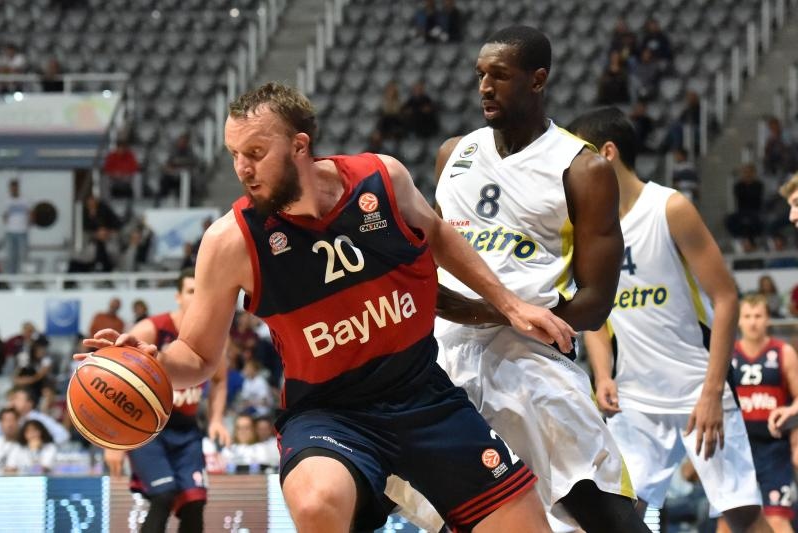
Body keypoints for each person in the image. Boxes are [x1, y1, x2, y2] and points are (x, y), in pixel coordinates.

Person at [83, 81, 579, 533]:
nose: (242, 169)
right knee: (319, 501)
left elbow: (441, 235)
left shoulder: (381, 179)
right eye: (235, 154)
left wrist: (510, 305)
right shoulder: (230, 241)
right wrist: (148, 363)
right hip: (329, 414)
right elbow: (195, 354)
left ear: (300, 146)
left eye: (255, 152)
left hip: (423, 395)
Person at [393, 26, 649, 533]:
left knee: (598, 506)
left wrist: (500, 312)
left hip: (530, 355)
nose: (485, 86)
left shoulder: (582, 168)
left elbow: (597, 302)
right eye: (480, 75)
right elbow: (436, 255)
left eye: (500, 76)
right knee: (442, 511)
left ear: (537, 80)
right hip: (445, 354)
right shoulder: (453, 153)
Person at [570, 106, 770, 531]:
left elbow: (726, 298)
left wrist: (713, 392)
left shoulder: (670, 208)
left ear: (607, 153)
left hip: (697, 390)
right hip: (635, 399)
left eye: (579, 156)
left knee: (742, 516)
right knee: (619, 513)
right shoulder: (588, 229)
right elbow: (596, 314)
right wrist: (603, 375)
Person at [103, 268, 230, 533]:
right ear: (178, 296)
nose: (197, 298)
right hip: (147, 429)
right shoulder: (150, 329)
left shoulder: (215, 334)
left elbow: (219, 379)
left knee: (195, 503)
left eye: (202, 292)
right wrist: (113, 440)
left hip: (186, 429)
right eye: (191, 291)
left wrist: (217, 419)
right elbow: (115, 381)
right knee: (163, 495)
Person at [723, 294, 798, 533]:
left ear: (767, 319)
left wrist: (789, 409)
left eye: (758, 316)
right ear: (739, 321)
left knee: (777, 520)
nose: (753, 322)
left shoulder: (783, 352)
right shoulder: (726, 354)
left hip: (774, 451)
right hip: (735, 449)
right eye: (747, 316)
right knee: (727, 525)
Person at [2, 179, 32, 274]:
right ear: (10, 189)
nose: (13, 190)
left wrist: (29, 222)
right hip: (10, 232)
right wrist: (6, 220)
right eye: (12, 188)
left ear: (18, 188)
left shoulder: (25, 200)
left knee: (23, 256)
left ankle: (24, 276)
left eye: (15, 188)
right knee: (11, 256)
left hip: (22, 232)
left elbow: (30, 213)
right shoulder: (7, 201)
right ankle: (11, 277)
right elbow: (4, 215)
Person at [0, 407, 20, 473]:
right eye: (6, 420)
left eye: (12, 420)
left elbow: (38, 469)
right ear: (1, 424)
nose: (9, 424)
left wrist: (19, 470)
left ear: (18, 422)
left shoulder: (27, 444)